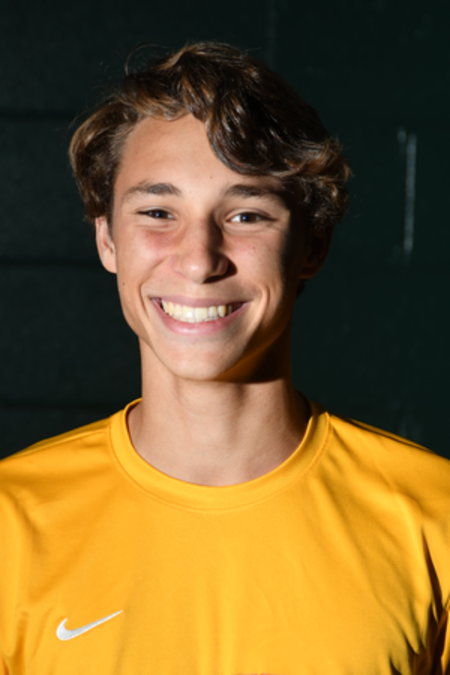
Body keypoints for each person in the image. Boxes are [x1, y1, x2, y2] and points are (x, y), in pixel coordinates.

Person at [1, 41, 449, 674]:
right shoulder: (11, 521)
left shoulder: (435, 516)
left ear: (312, 244)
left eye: (245, 215)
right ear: (107, 239)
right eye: (158, 212)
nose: (198, 259)